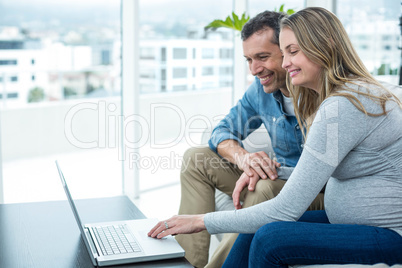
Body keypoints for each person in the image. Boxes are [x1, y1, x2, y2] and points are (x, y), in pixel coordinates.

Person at [149, 7, 402, 267]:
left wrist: (199, 221)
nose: (285, 63)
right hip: (353, 223)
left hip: (390, 234)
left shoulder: (344, 104)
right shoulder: (339, 98)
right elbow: (310, 168)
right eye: (285, 53)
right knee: (256, 223)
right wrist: (251, 164)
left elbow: (286, 208)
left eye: (292, 52)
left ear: (325, 45)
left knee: (270, 236)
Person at [174, 10, 324, 268]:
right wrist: (244, 159)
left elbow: (318, 174)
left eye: (263, 57)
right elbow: (222, 132)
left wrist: (264, 170)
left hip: (317, 192)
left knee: (263, 186)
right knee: (195, 159)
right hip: (279, 178)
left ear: (289, 50)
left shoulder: (322, 93)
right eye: (249, 59)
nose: (254, 69)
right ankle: (188, 263)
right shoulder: (261, 90)